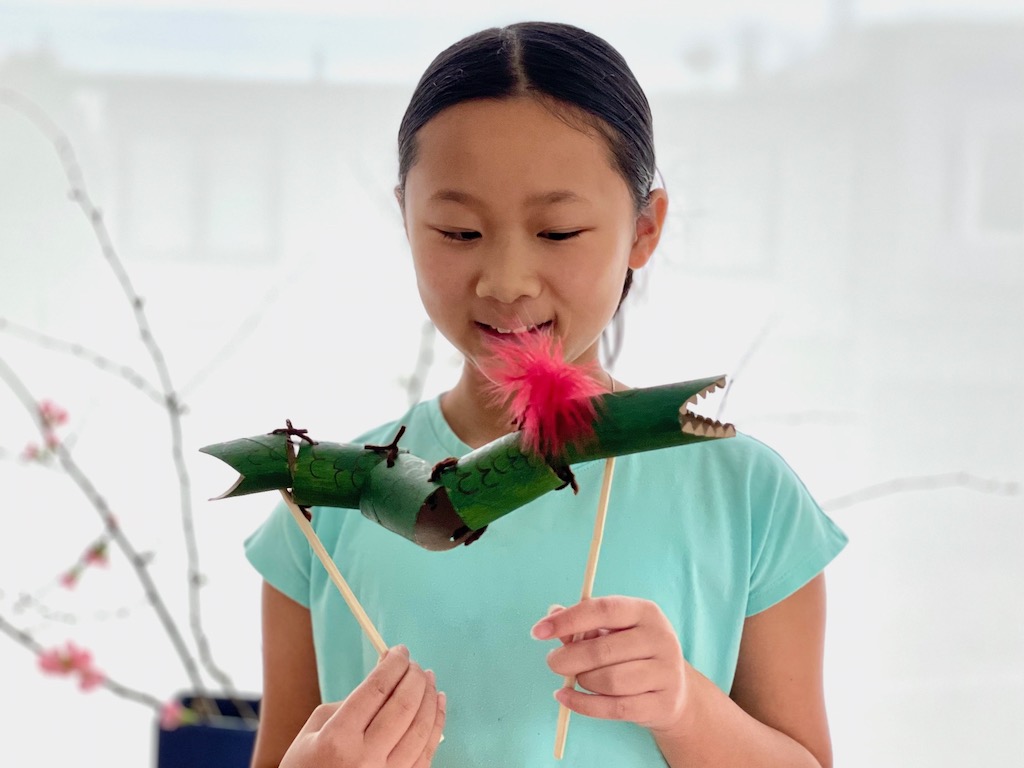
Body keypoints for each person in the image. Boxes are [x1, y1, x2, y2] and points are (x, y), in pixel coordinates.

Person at [244, 20, 848, 768]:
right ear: (407, 217)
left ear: (644, 229)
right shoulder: (321, 508)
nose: (505, 281)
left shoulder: (748, 496)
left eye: (558, 232)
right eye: (459, 232)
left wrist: (685, 706)